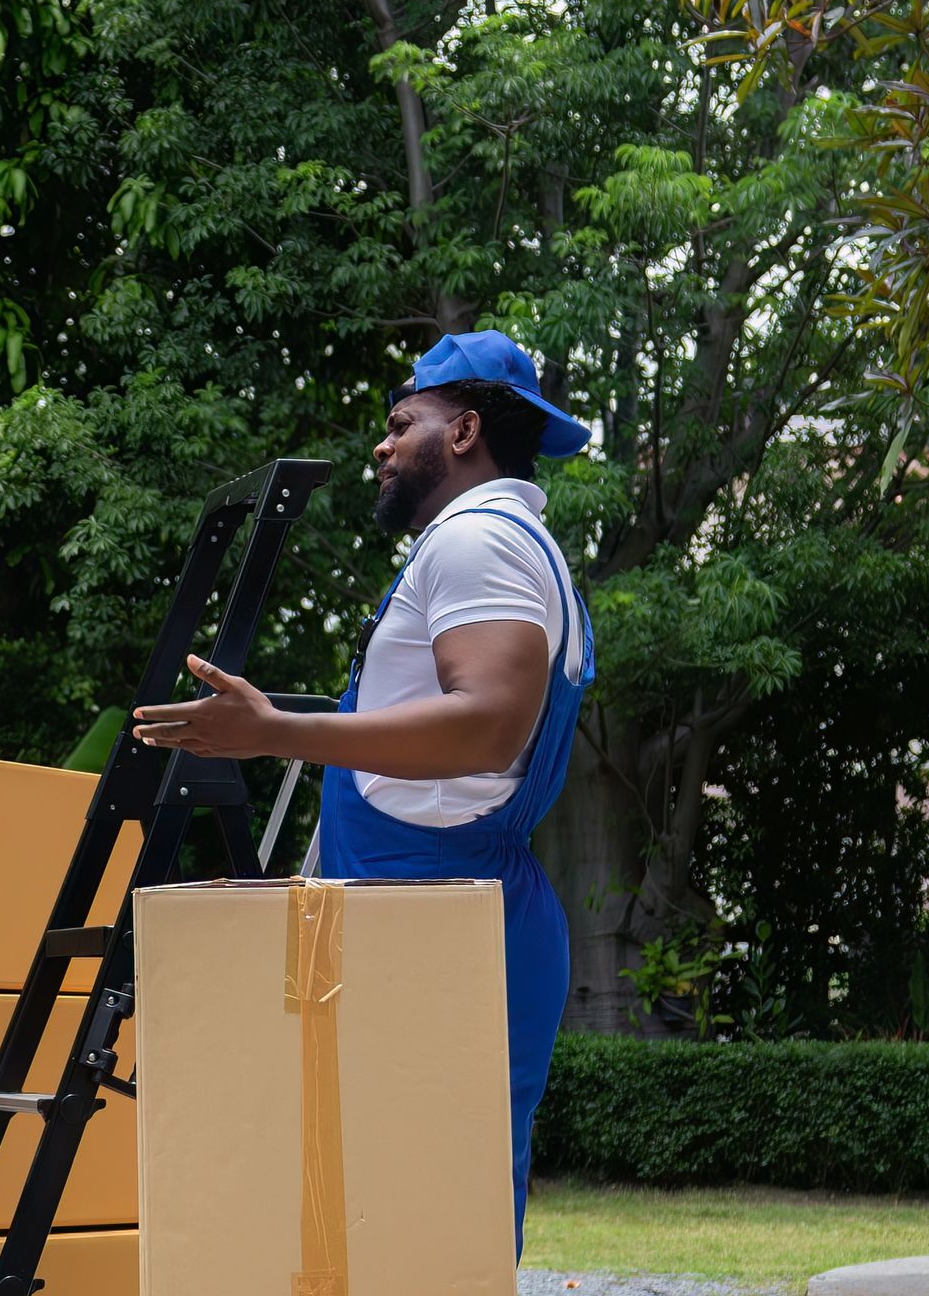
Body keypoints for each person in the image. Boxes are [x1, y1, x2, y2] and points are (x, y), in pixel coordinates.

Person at [131, 332, 597, 1228]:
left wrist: (273, 733)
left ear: (463, 431)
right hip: (444, 906)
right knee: (410, 1219)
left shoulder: (477, 545)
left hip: (431, 916)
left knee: (420, 1227)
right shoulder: (500, 543)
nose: (381, 448)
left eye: (400, 422)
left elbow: (486, 724)